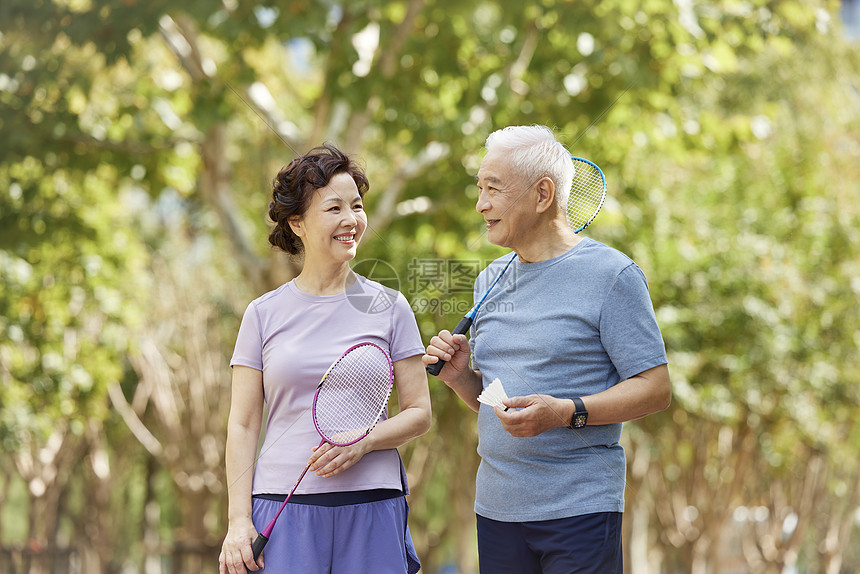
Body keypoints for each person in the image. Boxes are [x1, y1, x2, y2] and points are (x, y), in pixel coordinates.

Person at [423, 125, 671, 574]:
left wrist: (566, 411)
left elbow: (656, 389)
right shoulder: (488, 281)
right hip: (497, 509)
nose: (481, 204)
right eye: (479, 189)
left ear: (542, 194)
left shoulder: (612, 275)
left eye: (493, 189)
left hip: (580, 509)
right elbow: (497, 399)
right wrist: (461, 377)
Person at [220, 144, 431, 574]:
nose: (350, 220)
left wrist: (363, 441)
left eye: (356, 206)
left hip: (373, 503)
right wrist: (238, 521)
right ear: (297, 223)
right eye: (334, 208)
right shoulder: (262, 314)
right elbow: (242, 425)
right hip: (283, 509)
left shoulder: (390, 307)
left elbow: (419, 413)